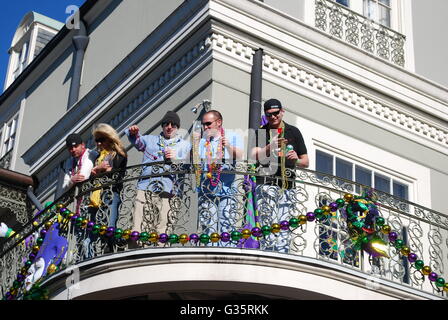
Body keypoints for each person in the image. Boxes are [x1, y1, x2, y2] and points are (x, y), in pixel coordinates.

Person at [251, 98, 309, 253]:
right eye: (269, 114)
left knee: (285, 225)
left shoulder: (293, 131)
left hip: (287, 184)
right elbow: (254, 155)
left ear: (282, 112)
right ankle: (268, 253)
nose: (273, 117)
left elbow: (306, 161)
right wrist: (271, 146)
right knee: (267, 222)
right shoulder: (261, 132)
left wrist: (296, 159)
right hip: (266, 182)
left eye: (276, 113)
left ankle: (281, 255)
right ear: (265, 115)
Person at [126, 110, 190, 239]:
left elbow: (190, 164)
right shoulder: (150, 139)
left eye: (173, 125)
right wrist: (132, 132)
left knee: (164, 227)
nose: (169, 127)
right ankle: (137, 253)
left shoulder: (184, 145)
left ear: (177, 128)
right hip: (145, 188)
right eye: (166, 124)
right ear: (162, 126)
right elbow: (137, 141)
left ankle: (159, 254)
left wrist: (176, 157)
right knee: (138, 225)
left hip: (170, 191)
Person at [195, 110, 243, 241]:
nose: (205, 127)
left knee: (226, 225)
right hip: (206, 189)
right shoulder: (202, 141)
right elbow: (193, 159)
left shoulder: (232, 136)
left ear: (219, 122)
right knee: (207, 225)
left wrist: (227, 146)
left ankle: (225, 256)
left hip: (226, 189)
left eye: (208, 124)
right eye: (203, 124)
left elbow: (239, 156)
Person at [89, 123, 128, 229]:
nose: (99, 143)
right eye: (97, 140)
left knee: (110, 226)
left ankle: (109, 245)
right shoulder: (99, 157)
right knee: (98, 228)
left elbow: (118, 172)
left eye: (101, 139)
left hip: (112, 192)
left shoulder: (119, 152)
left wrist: (100, 169)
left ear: (109, 138)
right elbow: (92, 179)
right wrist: (98, 170)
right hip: (98, 195)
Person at [55, 133, 97, 199]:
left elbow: (83, 177)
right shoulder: (69, 162)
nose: (73, 150)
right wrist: (72, 180)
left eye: (76, 146)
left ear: (83, 145)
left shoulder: (90, 154)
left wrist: (71, 181)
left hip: (92, 194)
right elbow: (64, 188)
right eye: (70, 148)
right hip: (80, 199)